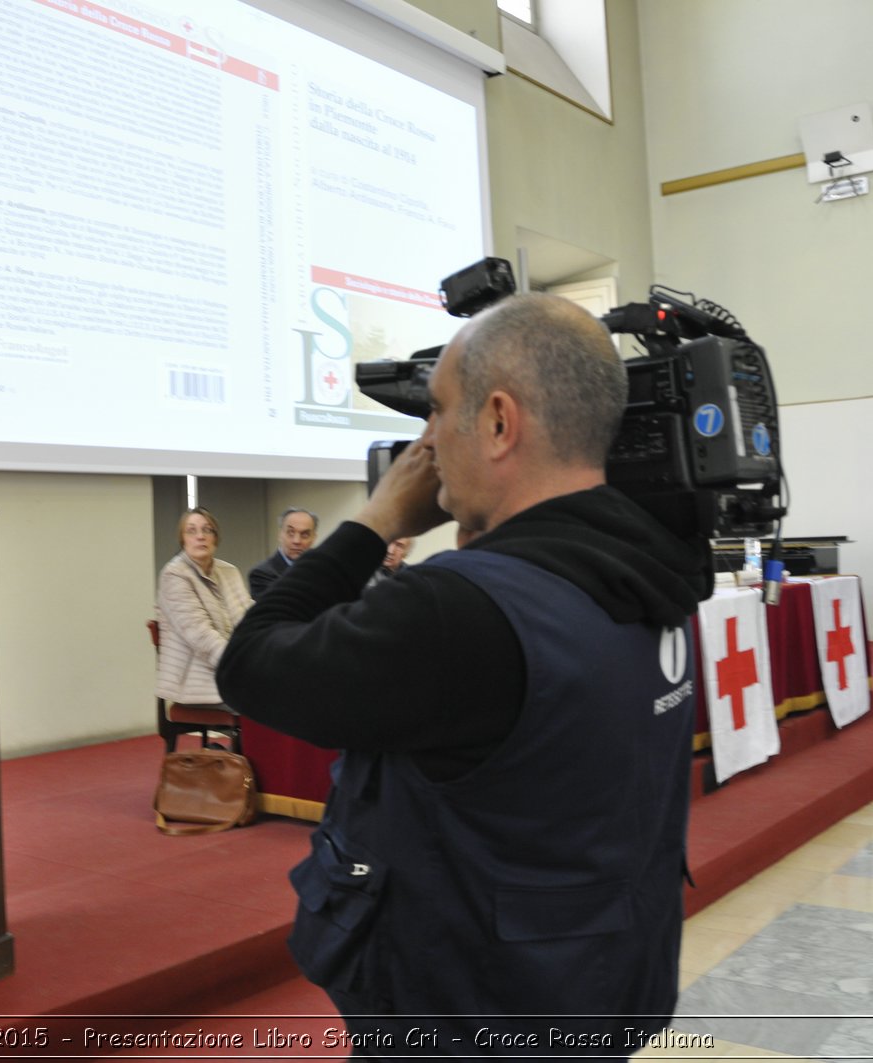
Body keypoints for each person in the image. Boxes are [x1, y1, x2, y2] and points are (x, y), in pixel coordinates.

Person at [216, 293, 709, 1057]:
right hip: (600, 976)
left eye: (439, 411)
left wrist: (374, 521)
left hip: (470, 1009)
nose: (427, 442)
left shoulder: (463, 607)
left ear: (500, 422)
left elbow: (251, 665)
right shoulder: (654, 575)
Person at [155, 508, 253, 711]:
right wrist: (241, 665)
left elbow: (250, 621)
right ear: (183, 539)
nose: (200, 536)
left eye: (207, 530)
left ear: (215, 538)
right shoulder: (174, 575)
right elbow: (201, 637)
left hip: (231, 669)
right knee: (271, 701)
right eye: (191, 531)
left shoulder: (228, 571)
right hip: (197, 681)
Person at [247, 507, 318, 598]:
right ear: (280, 534)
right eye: (290, 533)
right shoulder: (261, 574)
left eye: (304, 535)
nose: (296, 541)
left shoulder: (324, 570)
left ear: (313, 538)